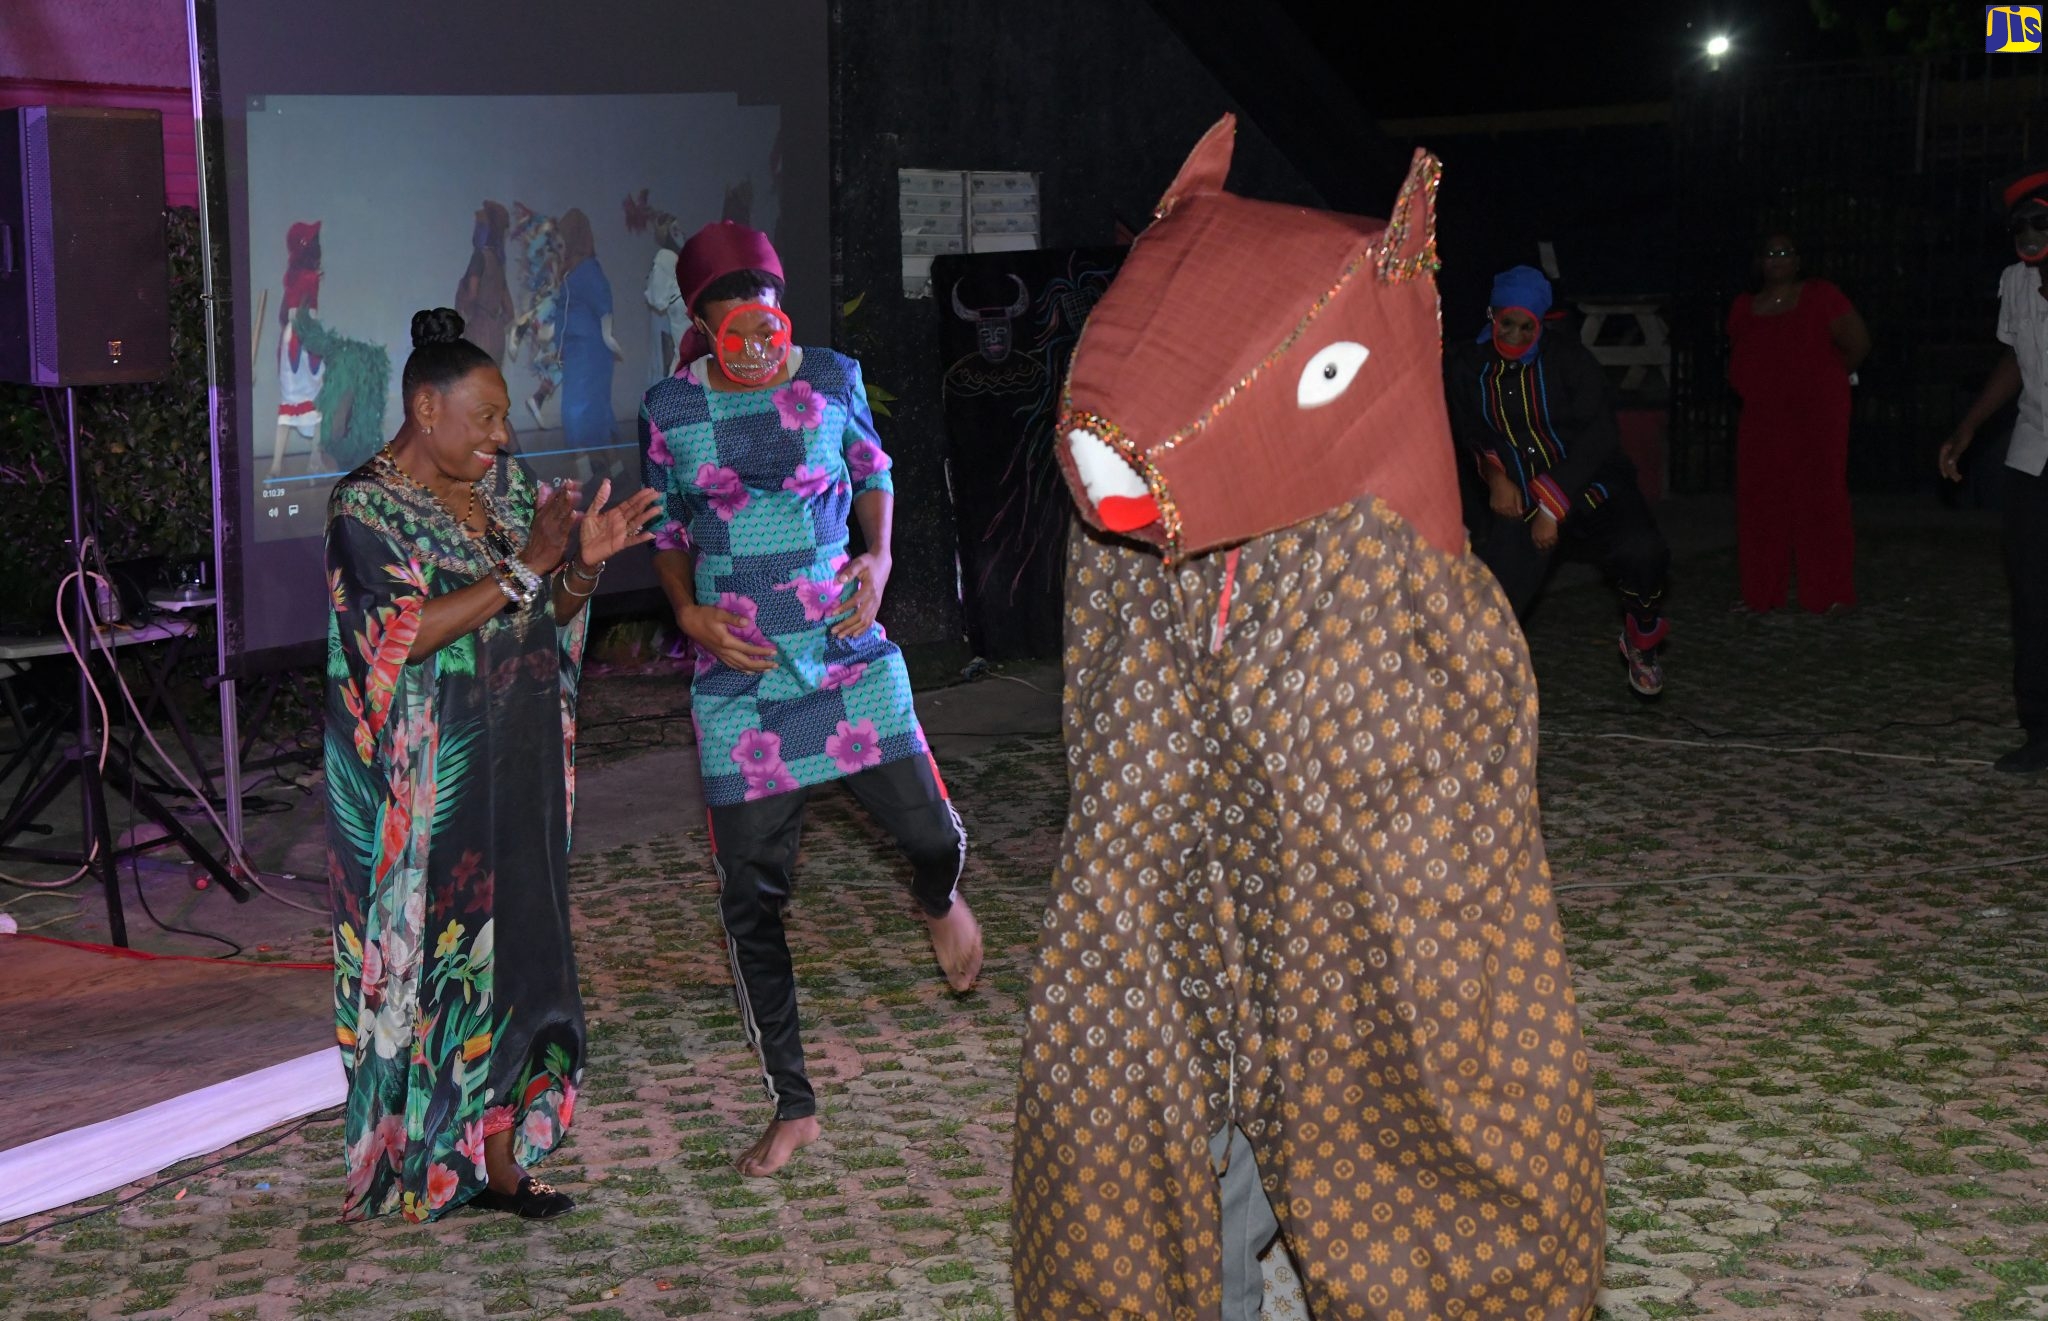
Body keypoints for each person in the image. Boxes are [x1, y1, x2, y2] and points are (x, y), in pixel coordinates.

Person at [1013, 118, 1604, 1321]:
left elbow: (1422, 833)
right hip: (1174, 917)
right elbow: (1119, 732)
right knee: (1157, 1144)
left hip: (1342, 943)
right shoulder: (1138, 563)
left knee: (1380, 1135)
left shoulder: (1393, 583)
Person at [640, 220, 983, 1179]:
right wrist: (686, 613)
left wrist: (875, 557)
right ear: (703, 320)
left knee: (931, 836)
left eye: (768, 301)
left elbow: (874, 473)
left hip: (844, 654)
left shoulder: (832, 377)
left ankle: (937, 896)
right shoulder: (669, 407)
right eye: (734, 306)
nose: (758, 327)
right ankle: (794, 1105)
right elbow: (667, 528)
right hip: (739, 682)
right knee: (750, 899)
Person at [325, 307, 662, 1222]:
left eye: (506, 417)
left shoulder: (511, 490)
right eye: (486, 418)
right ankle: (428, 1155)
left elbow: (543, 615)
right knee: (443, 961)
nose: (503, 437)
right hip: (434, 780)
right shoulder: (366, 508)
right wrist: (526, 571)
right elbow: (400, 637)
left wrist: (580, 568)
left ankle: (503, 1157)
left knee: (522, 954)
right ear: (426, 408)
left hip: (521, 757)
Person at [1445, 264, 1674, 696]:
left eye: (1525, 326)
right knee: (1494, 597)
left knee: (1643, 552)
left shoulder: (1569, 361)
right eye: (1505, 322)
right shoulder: (1467, 366)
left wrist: (1553, 504)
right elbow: (1471, 431)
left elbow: (1600, 435)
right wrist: (1495, 474)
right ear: (1491, 316)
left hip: (1591, 486)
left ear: (1540, 324)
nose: (1514, 335)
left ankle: (1641, 640)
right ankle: (1473, 689)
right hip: (1520, 494)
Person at [1941, 167, 2048, 773]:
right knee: (2032, 595)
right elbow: (2013, 356)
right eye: (2019, 224)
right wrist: (1969, 425)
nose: (2028, 234)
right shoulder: (2015, 282)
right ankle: (2041, 728)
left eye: (2040, 222)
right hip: (2035, 454)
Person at [1726, 233, 1872, 613]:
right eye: (1769, 252)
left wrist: (1826, 381)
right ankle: (1761, 594)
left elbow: (1857, 342)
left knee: (1820, 497)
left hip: (1817, 412)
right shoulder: (1745, 307)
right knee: (1760, 500)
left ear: (1797, 260)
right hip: (1763, 415)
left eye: (1784, 252)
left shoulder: (1821, 296)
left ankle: (1830, 591)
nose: (1776, 259)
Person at [555, 208, 625, 459]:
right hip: (575, 350)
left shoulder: (588, 270)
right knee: (580, 409)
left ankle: (597, 469)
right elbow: (562, 314)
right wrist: (558, 345)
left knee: (584, 409)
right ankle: (595, 470)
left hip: (590, 350)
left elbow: (603, 303)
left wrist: (608, 337)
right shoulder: (569, 272)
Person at [265, 221, 325, 480]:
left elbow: (283, 315)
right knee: (316, 397)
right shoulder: (309, 278)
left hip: (293, 339)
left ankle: (278, 465)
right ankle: (313, 459)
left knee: (291, 399)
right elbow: (302, 313)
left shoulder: (291, 277)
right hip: (304, 339)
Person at [455, 201, 516, 366]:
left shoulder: (479, 258)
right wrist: (495, 325)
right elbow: (510, 312)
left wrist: (464, 321)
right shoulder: (498, 265)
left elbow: (472, 295)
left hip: (477, 331)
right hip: (496, 337)